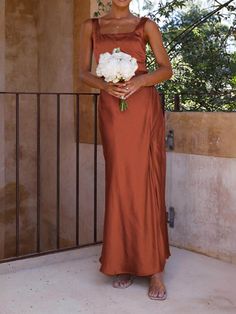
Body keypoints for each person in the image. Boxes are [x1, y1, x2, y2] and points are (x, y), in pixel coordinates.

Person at [79, 0, 173, 301]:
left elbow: (166, 69)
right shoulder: (90, 27)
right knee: (119, 179)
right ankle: (123, 261)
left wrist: (140, 81)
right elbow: (82, 73)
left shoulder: (146, 26)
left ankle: (154, 268)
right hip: (112, 108)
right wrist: (106, 87)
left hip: (142, 106)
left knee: (144, 179)